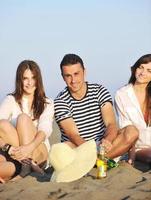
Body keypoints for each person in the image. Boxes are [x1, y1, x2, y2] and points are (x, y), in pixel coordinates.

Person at [54, 53, 138, 161]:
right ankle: (99, 160)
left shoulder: (99, 91)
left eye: (76, 74)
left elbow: (111, 124)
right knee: (63, 148)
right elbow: (73, 135)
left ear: (84, 72)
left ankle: (98, 159)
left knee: (132, 131)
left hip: (102, 145)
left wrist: (107, 140)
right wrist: (90, 151)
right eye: (68, 76)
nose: (73, 80)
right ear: (63, 77)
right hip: (78, 147)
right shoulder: (60, 101)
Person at [0, 60, 54, 183]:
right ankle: (25, 167)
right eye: (25, 78)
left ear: (38, 79)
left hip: (38, 152)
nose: (29, 83)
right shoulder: (10, 100)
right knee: (2, 124)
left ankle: (27, 166)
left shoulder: (47, 103)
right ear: (20, 80)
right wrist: (7, 148)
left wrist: (29, 147)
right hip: (15, 155)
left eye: (33, 78)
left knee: (23, 119)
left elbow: (45, 130)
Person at [115, 54, 151, 165]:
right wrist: (132, 157)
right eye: (141, 67)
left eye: (149, 70)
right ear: (135, 69)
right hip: (140, 147)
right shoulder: (121, 94)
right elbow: (126, 128)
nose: (143, 73)